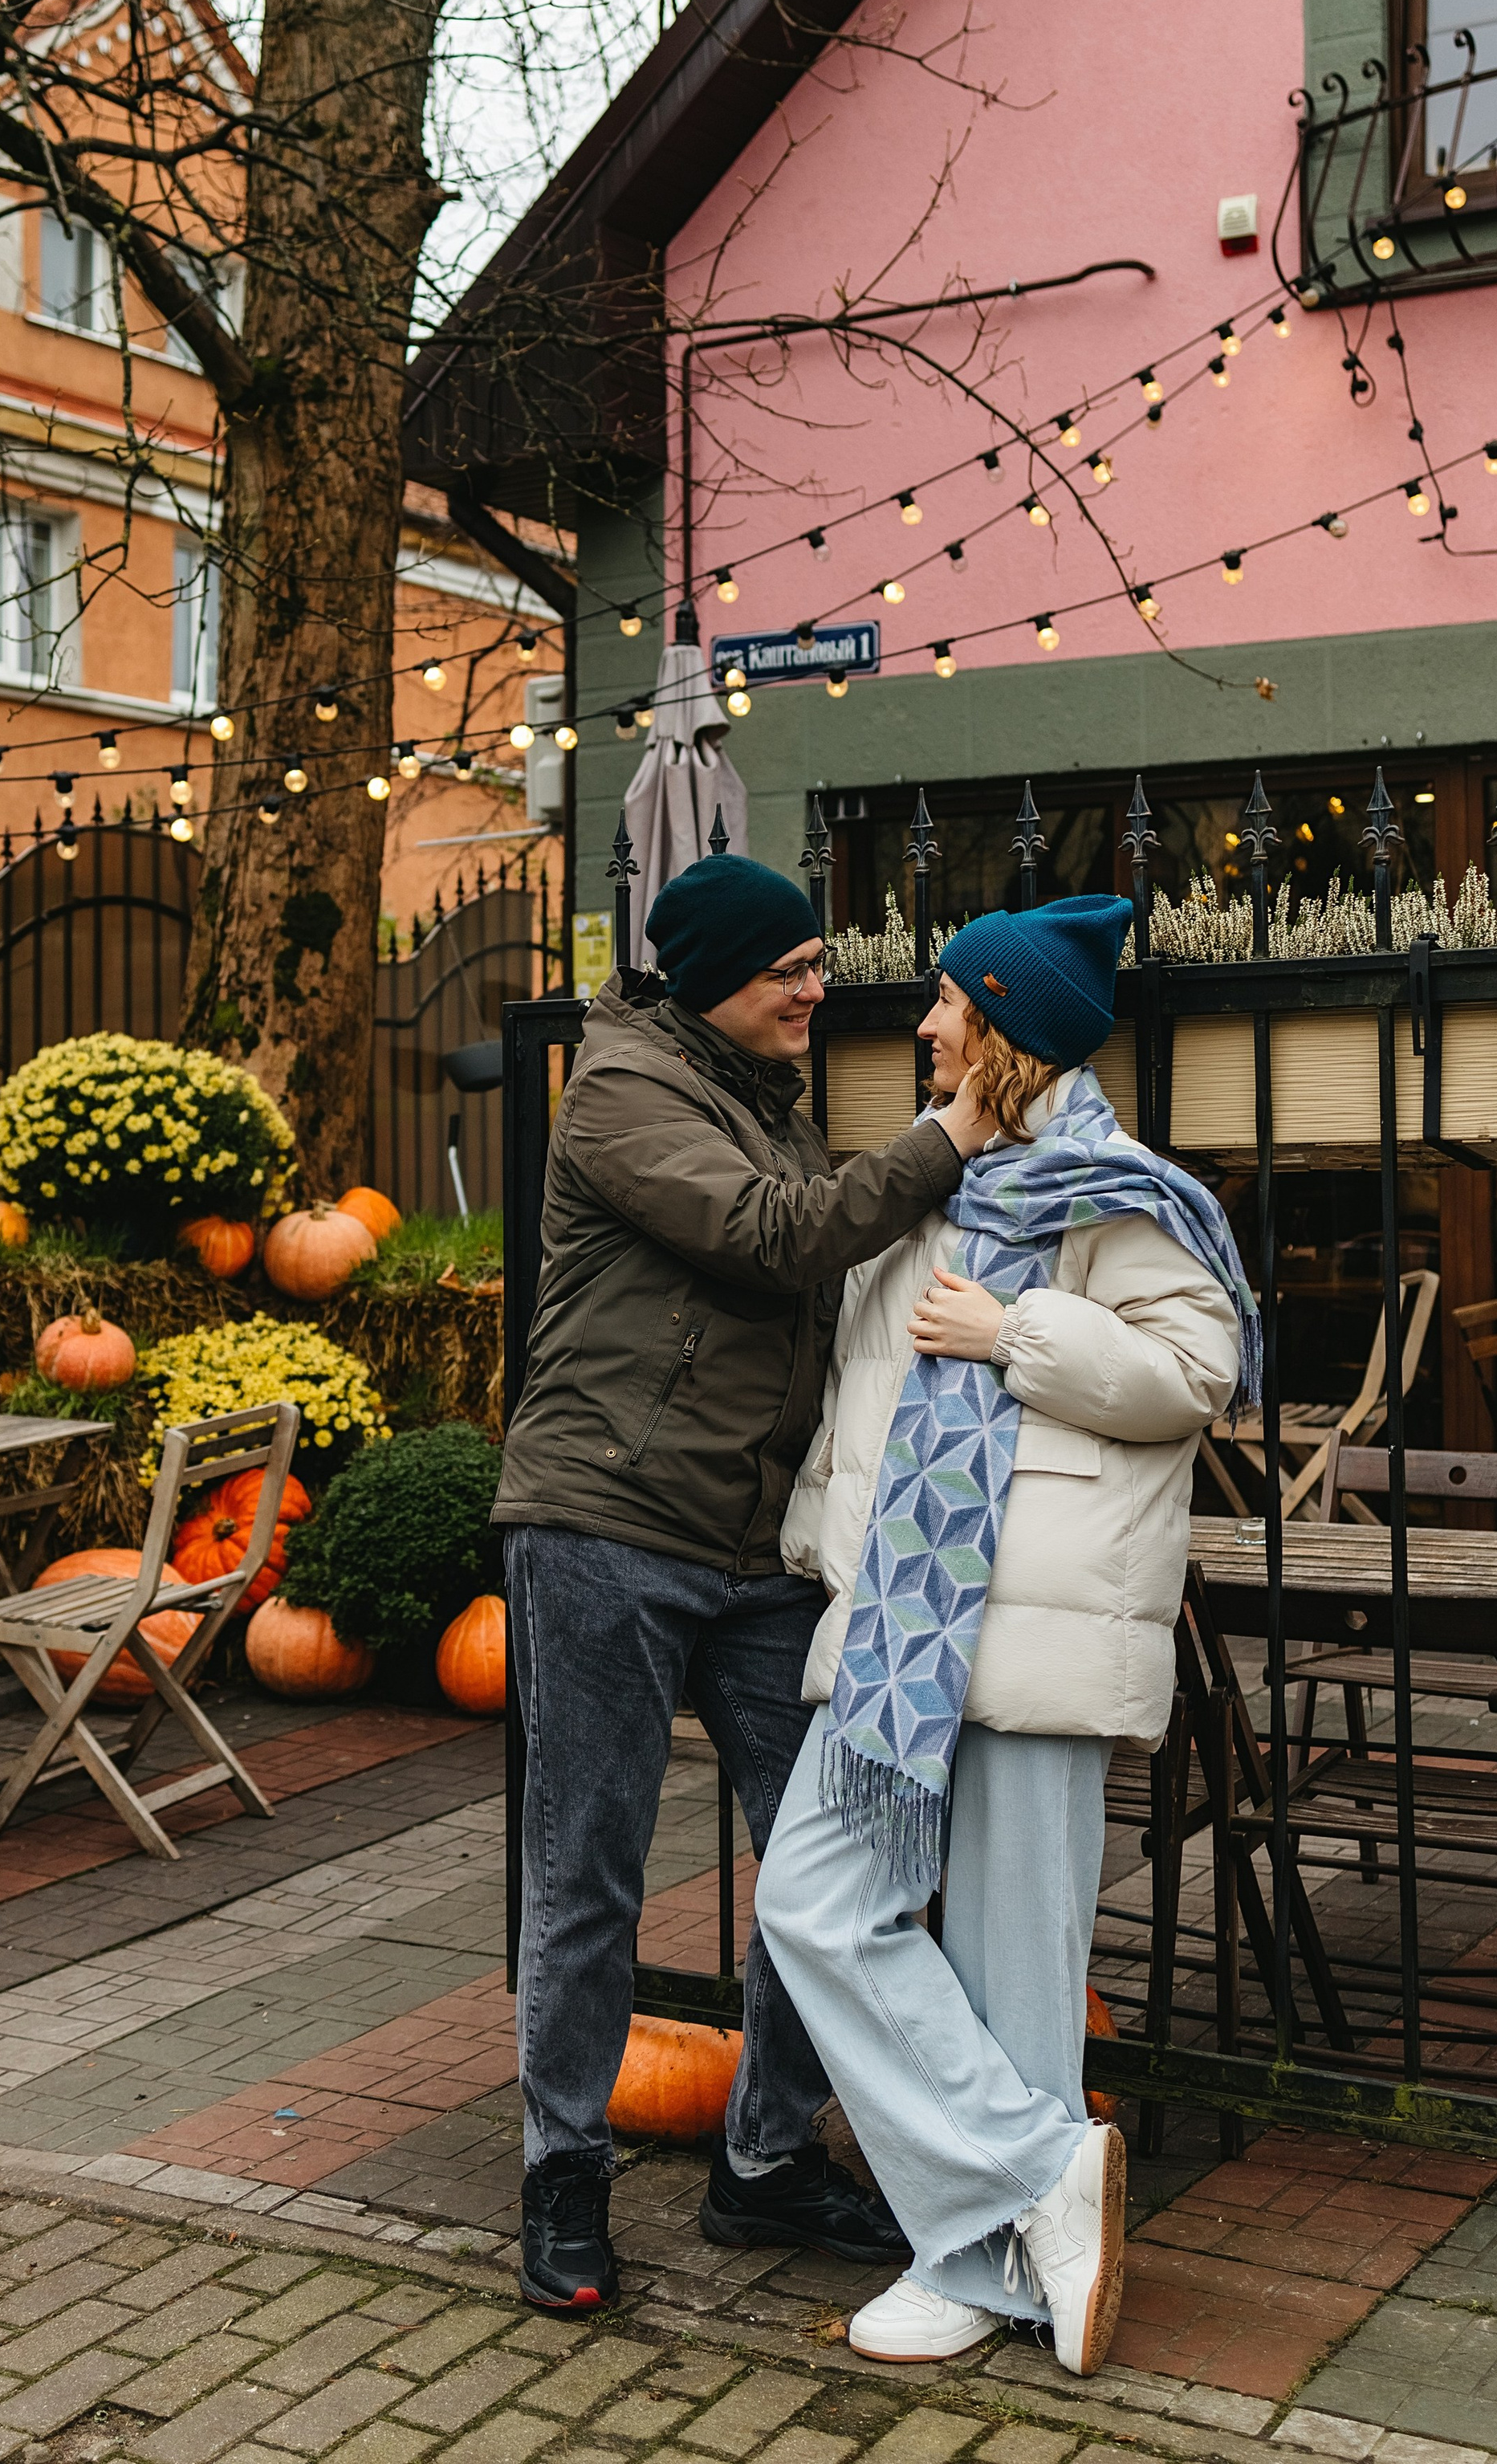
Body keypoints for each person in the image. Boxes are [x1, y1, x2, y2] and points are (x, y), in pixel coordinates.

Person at [756, 891, 1255, 2376]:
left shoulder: (1122, 1194)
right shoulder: (930, 1182)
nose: (920, 1027)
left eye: (947, 1007)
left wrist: (1016, 1336)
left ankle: (986, 2272)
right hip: (907, 1628)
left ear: (1007, 1033)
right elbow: (866, 1397)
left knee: (1012, 1966)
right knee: (814, 1904)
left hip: (1032, 1630)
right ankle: (1042, 2171)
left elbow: (1197, 1371)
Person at [494, 850, 999, 2315]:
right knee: (586, 1867)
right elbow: (782, 1240)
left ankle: (765, 2160)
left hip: (751, 1550)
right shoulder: (622, 1093)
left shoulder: (759, 1100)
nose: (815, 988)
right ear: (716, 971)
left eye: (818, 964)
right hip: (605, 1524)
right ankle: (563, 2168)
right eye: (789, 966)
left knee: (839, 1852)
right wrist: (953, 1129)